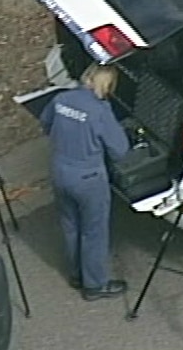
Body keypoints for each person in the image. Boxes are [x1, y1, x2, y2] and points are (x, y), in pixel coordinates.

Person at [40, 64, 130, 301]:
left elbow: (46, 124)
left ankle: (76, 274)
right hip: (89, 178)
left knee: (70, 225)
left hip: (60, 170)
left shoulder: (61, 99)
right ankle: (95, 284)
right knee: (94, 232)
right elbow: (120, 150)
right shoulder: (100, 110)